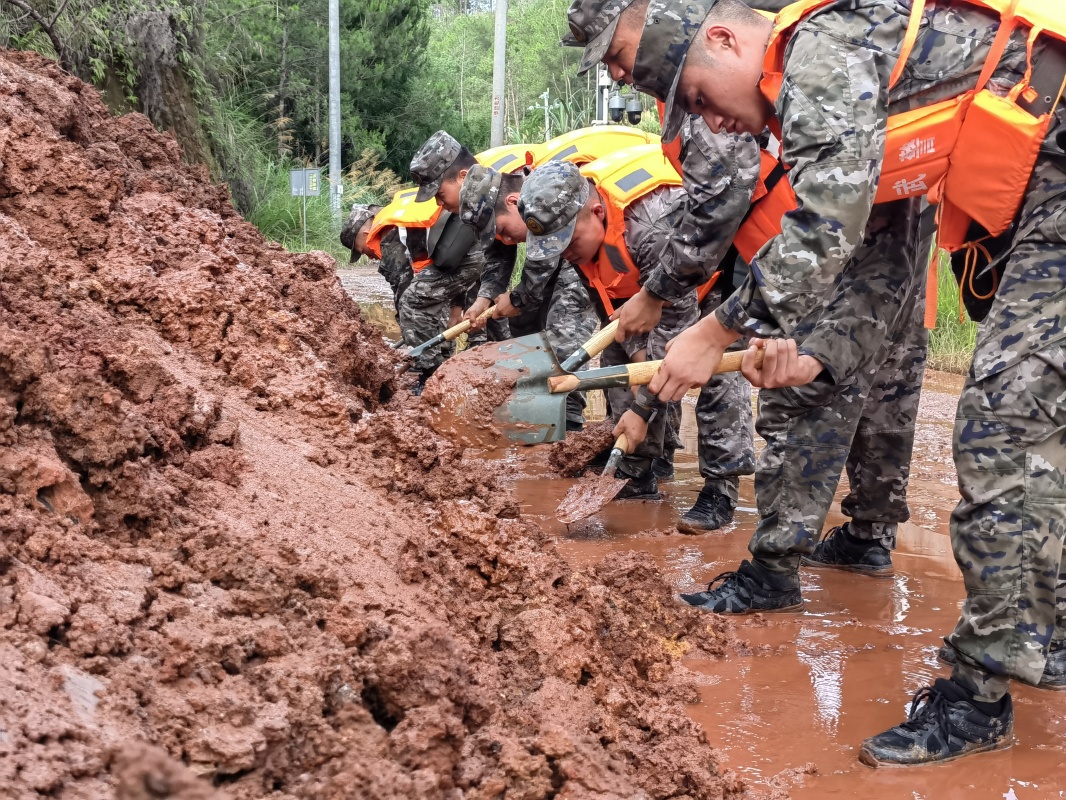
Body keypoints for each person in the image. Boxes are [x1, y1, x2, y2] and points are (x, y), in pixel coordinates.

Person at [642, 0, 1066, 766]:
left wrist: (713, 330)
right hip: (1046, 193)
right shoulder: (855, 92)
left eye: (702, 100)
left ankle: (977, 702)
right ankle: (1047, 634)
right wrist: (820, 355)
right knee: (1035, 420)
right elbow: (887, 255)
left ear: (727, 39)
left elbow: (828, 217)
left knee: (1004, 421)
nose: (717, 126)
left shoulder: (818, 47)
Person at [567, 0, 758, 528]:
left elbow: (719, 201)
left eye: (614, 53)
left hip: (727, 266)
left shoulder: (708, 76)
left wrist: (643, 408)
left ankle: (723, 491)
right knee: (649, 357)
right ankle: (648, 470)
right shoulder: (678, 96)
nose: (615, 74)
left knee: (719, 370)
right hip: (702, 260)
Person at [518, 156, 703, 499]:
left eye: (569, 244)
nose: (566, 255)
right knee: (618, 360)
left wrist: (642, 405)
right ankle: (641, 462)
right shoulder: (583, 247)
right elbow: (609, 304)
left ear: (597, 213)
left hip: (702, 291)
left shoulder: (650, 230)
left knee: (680, 378)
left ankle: (707, 486)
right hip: (642, 296)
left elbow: (668, 346)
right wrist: (634, 357)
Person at [459, 164, 598, 431]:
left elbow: (538, 269)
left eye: (501, 230)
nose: (505, 239)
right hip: (547, 251)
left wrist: (517, 299)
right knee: (523, 325)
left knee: (563, 332)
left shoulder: (543, 202)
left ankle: (568, 416)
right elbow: (499, 251)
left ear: (514, 203)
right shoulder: (504, 208)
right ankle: (540, 408)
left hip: (576, 248)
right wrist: (484, 297)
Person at [403, 131, 508, 386]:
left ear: (464, 176)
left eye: (440, 194)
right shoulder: (477, 204)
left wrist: (522, 295)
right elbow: (496, 253)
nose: (439, 204)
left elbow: (503, 251)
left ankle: (435, 376)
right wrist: (480, 299)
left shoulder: (502, 198)